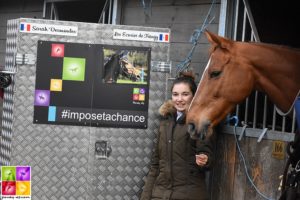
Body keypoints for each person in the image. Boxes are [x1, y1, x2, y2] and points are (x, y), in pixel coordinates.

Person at [140, 72, 215, 200]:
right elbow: (156, 165)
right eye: (175, 94)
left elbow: (207, 156)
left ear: (194, 96)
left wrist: (204, 160)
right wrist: (145, 197)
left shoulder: (200, 122)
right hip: (160, 194)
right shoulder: (165, 123)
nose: (179, 99)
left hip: (188, 195)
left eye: (185, 94)